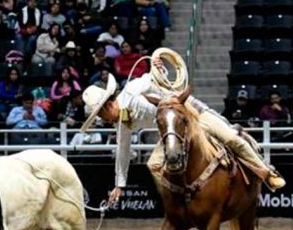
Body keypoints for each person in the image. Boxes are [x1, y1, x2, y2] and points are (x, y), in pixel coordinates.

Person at [80, 60, 286, 203]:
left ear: (107, 107)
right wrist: (119, 185)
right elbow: (123, 151)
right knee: (153, 164)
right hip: (172, 131)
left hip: (193, 113)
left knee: (232, 138)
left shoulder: (132, 89)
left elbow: (152, 78)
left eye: (100, 116)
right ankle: (179, 197)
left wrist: (157, 66)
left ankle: (268, 173)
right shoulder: (122, 123)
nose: (103, 121)